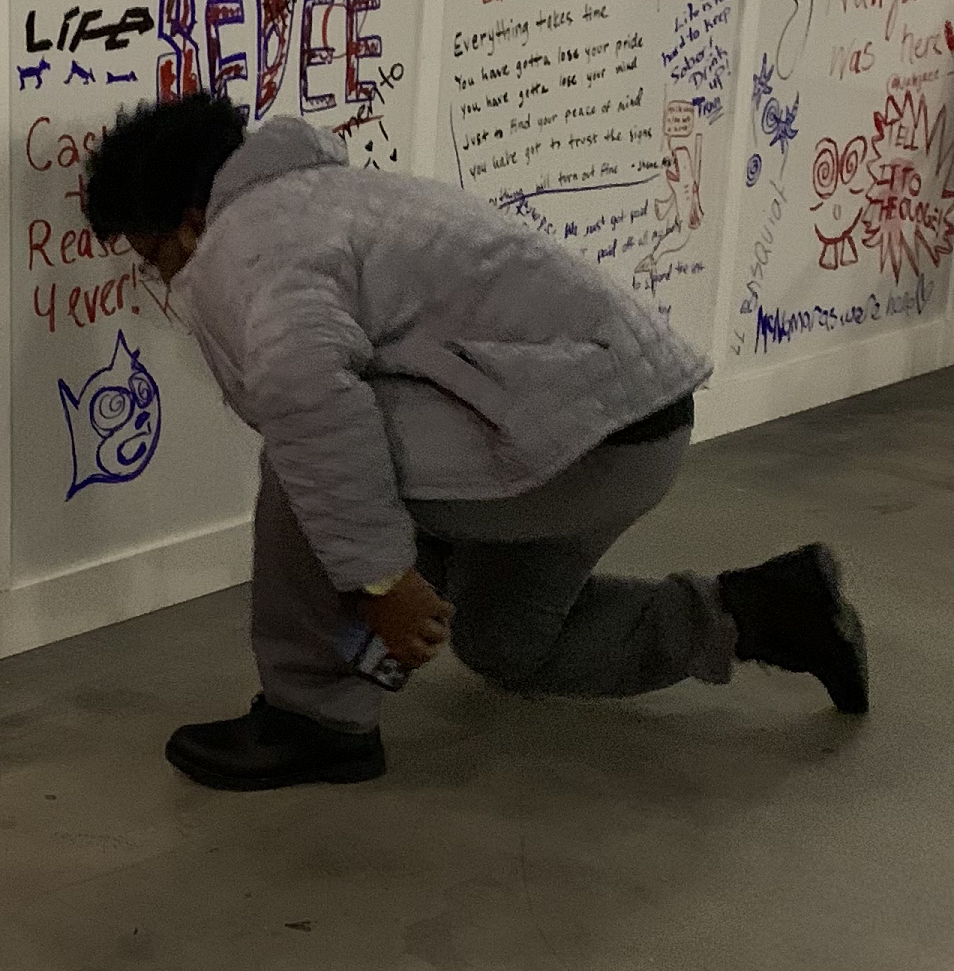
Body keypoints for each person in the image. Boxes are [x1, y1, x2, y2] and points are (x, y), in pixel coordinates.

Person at [80, 94, 869, 791]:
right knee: (508, 643)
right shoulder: (340, 197)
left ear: (191, 219)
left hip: (564, 446)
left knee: (307, 457)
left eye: (155, 260)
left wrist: (383, 581)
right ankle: (766, 610)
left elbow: (307, 400)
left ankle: (313, 719)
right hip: (631, 429)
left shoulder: (244, 242)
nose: (164, 285)